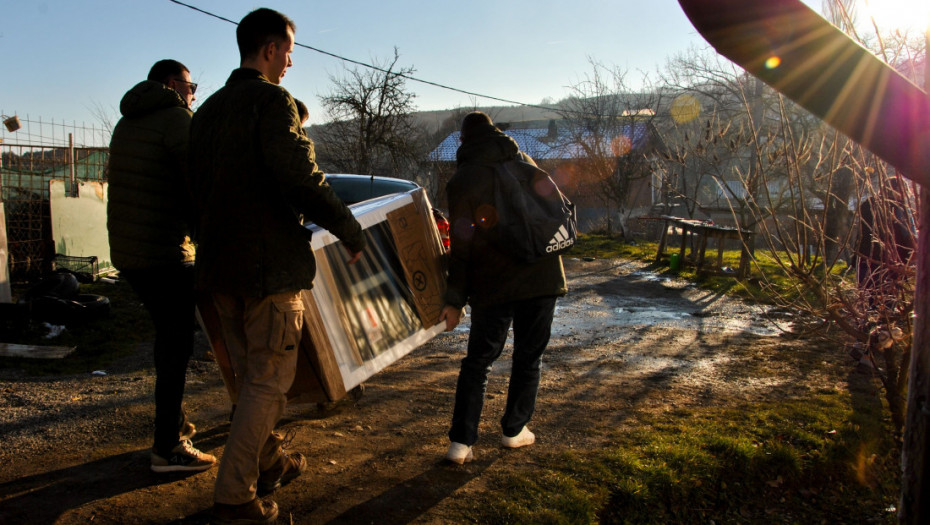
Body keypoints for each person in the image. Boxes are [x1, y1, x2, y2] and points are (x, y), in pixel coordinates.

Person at [189, 8, 366, 524]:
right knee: (268, 384)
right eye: (288, 51)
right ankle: (234, 496)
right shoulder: (272, 101)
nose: (290, 61)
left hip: (219, 267)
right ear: (269, 50)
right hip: (267, 271)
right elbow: (301, 177)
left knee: (250, 383)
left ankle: (268, 463)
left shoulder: (206, 114)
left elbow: (195, 192)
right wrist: (349, 231)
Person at [106, 59, 216, 473]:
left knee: (166, 339)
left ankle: (174, 424)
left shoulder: (129, 122)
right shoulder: (175, 119)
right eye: (192, 86)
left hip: (129, 253)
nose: (194, 94)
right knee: (176, 346)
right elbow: (197, 187)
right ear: (173, 84)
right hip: (164, 252)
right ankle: (167, 447)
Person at [439, 111, 567, 464]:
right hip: (542, 274)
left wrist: (454, 298)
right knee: (529, 357)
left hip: (492, 283)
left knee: (478, 362)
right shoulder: (523, 160)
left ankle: (461, 444)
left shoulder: (462, 180)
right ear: (495, 133)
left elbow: (461, 247)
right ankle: (514, 431)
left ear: (463, 142)